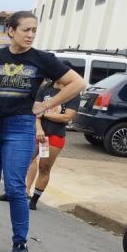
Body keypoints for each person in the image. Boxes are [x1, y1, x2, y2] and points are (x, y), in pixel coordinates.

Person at [0, 11, 86, 252]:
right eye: (25, 30)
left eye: (34, 30)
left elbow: (76, 83)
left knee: (16, 186)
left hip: (20, 127)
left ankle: (20, 243)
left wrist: (45, 106)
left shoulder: (42, 59)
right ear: (11, 31)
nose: (30, 35)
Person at [25, 74, 81, 210]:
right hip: (39, 133)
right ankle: (22, 191)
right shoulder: (45, 88)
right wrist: (38, 129)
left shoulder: (72, 93)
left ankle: (34, 200)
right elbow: (35, 110)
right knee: (25, 160)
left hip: (53, 136)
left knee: (44, 167)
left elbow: (67, 117)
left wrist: (44, 114)